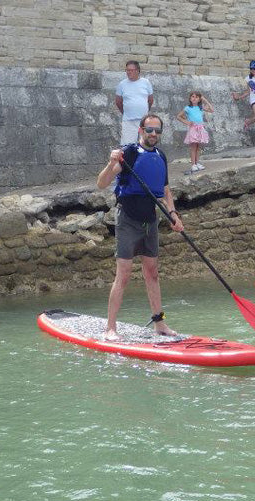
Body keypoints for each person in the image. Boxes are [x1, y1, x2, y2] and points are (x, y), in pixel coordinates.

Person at [97, 114, 184, 341]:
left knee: (152, 272)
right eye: (149, 130)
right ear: (141, 129)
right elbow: (101, 183)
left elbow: (165, 192)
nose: (153, 134)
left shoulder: (161, 157)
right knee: (124, 275)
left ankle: (160, 324)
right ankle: (110, 328)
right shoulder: (130, 154)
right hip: (127, 219)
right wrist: (110, 162)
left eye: (157, 131)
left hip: (150, 221)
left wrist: (173, 215)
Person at [115, 60, 154, 146]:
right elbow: (118, 102)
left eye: (131, 70)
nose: (129, 72)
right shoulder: (122, 84)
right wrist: (125, 112)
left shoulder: (146, 82)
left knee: (146, 144)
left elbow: (150, 100)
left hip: (144, 121)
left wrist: (145, 110)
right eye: (127, 70)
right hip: (128, 120)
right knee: (127, 146)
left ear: (137, 71)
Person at [176, 91, 214, 174]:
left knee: (199, 147)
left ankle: (197, 163)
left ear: (199, 99)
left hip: (200, 128)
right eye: (192, 96)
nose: (194, 98)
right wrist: (186, 122)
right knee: (193, 147)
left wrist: (205, 100)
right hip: (193, 128)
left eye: (196, 97)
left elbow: (212, 110)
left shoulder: (201, 107)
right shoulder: (188, 108)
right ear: (190, 98)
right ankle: (193, 164)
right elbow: (178, 116)